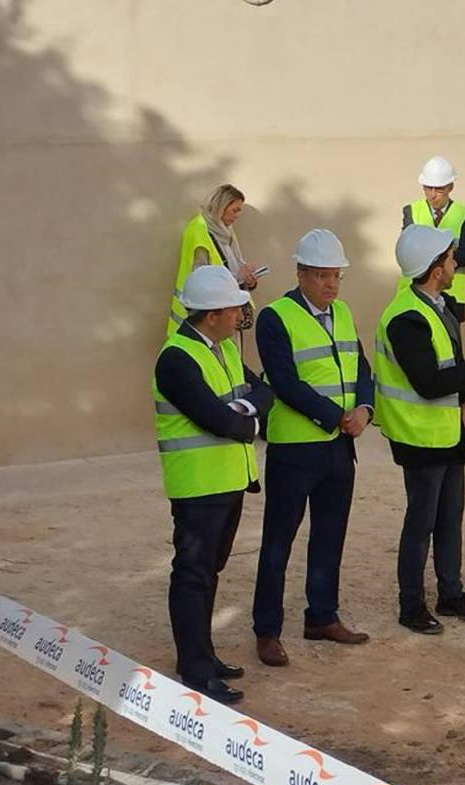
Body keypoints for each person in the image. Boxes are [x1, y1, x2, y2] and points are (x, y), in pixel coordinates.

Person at [251, 229, 373, 668]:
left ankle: (322, 616)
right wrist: (333, 415)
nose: (330, 285)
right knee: (278, 543)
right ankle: (267, 630)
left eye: (336, 276)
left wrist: (364, 408)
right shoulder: (274, 317)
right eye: (321, 275)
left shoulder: (342, 313)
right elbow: (284, 382)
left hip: (339, 448)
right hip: (295, 449)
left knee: (329, 535)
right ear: (300, 273)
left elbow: (361, 366)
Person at [153, 265, 273, 705]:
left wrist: (246, 411)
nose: (240, 314)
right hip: (198, 486)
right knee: (193, 575)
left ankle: (202, 655)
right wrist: (247, 417)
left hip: (227, 481)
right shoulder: (178, 358)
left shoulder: (217, 350)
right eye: (234, 308)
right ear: (211, 314)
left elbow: (263, 391)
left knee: (209, 573)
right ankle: (196, 668)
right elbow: (221, 421)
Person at [376, 225, 465, 634]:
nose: (454, 262)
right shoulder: (406, 318)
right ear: (433, 268)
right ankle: (411, 605)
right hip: (418, 436)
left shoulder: (439, 305)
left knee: (450, 518)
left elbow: (449, 365)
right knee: (421, 522)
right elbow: (428, 382)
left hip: (447, 432)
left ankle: (450, 593)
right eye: (448, 257)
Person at [169, 184, 261, 336]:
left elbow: (233, 264)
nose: (238, 215)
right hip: (204, 319)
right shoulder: (199, 230)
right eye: (235, 210)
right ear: (221, 206)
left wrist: (248, 279)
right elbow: (201, 279)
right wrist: (238, 277)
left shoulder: (224, 230)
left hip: (224, 313)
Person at [402, 156, 465, 323]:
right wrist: (446, 256)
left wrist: (427, 256)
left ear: (450, 187)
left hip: (452, 295)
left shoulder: (464, 214)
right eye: (428, 188)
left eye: (439, 189)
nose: (432, 195)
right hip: (414, 291)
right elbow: (408, 250)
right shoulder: (411, 211)